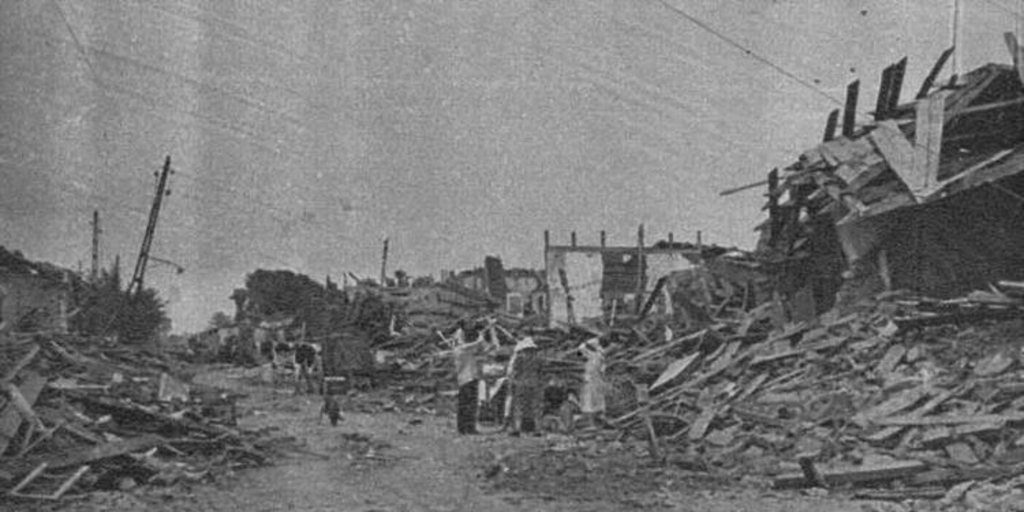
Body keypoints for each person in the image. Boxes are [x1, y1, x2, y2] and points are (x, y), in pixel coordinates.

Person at [453, 327, 489, 435]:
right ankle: (466, 428)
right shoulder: (461, 349)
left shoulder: (466, 350)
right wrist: (480, 338)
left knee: (470, 404)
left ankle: (467, 427)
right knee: (467, 405)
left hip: (470, 378)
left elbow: (485, 348)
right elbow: (474, 345)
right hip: (466, 379)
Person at [509, 336, 543, 436]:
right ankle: (538, 430)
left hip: (521, 383)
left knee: (519, 407)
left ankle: (517, 429)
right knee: (536, 407)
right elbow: (541, 373)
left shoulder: (519, 358)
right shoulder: (538, 359)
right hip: (535, 384)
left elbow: (515, 372)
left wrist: (513, 382)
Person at [578, 337, 607, 428]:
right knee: (597, 401)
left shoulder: (593, 356)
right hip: (596, 380)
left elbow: (581, 348)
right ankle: (598, 422)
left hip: (591, 381)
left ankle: (593, 424)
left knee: (590, 402)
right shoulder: (600, 355)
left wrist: (586, 342)